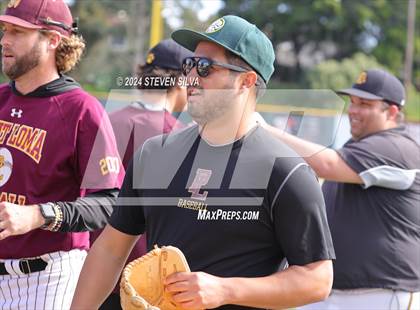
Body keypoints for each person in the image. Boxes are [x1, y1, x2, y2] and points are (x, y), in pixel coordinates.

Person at [71, 15, 335, 310]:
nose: (191, 78)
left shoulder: (286, 171)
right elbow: (110, 250)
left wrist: (226, 290)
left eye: (206, 67)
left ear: (246, 81)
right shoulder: (155, 153)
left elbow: (318, 279)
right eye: (189, 65)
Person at [260, 69, 420, 309]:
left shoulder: (398, 146)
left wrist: (265, 131)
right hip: (335, 291)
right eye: (352, 102)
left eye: (365, 104)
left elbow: (327, 164)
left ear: (393, 111)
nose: (353, 110)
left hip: (381, 291)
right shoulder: (357, 146)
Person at [0, 0, 123, 309]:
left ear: (53, 40)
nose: (4, 40)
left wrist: (39, 215)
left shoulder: (82, 110)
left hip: (45, 278)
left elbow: (110, 202)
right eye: (4, 29)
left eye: (17, 31)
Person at [97, 38, 192, 310]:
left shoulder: (106, 119)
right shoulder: (177, 134)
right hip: (145, 277)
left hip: (94, 266)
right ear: (181, 81)